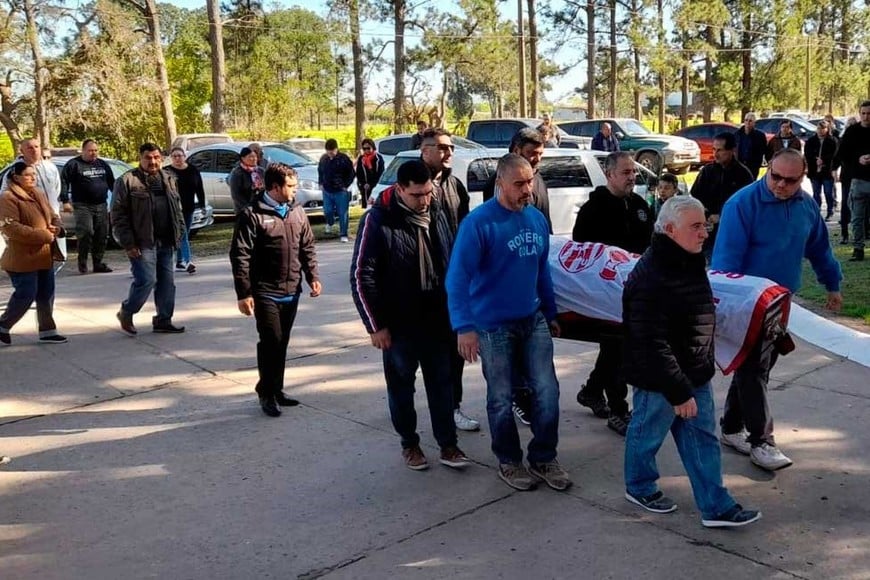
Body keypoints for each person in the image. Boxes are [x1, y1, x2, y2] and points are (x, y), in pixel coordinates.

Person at [622, 195, 762, 528]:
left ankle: (716, 506)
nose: (704, 234)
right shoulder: (650, 277)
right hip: (661, 380)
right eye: (696, 227)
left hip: (694, 373)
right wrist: (678, 392)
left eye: (706, 225)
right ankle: (639, 486)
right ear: (670, 229)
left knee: (703, 441)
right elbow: (652, 343)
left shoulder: (689, 258)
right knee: (647, 435)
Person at [447, 153, 571, 492]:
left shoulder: (535, 220)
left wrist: (551, 311)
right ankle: (509, 461)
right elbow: (457, 278)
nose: (527, 190)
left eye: (529, 181)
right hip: (492, 326)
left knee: (547, 390)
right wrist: (464, 327)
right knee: (501, 397)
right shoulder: (478, 224)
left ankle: (544, 456)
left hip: (532, 320)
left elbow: (541, 269)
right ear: (499, 184)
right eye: (518, 184)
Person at [713, 148, 843, 471]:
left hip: (780, 302)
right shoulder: (742, 205)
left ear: (803, 178)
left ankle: (731, 427)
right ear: (767, 168)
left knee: (756, 368)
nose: (781, 185)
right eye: (776, 176)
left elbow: (819, 248)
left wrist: (832, 284)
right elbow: (725, 263)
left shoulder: (806, 206)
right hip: (746, 303)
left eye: (790, 180)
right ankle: (762, 441)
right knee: (754, 370)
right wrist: (725, 310)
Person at [350, 160, 469, 470]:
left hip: (438, 319)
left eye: (428, 193)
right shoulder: (378, 220)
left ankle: (448, 443)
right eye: (417, 195)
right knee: (402, 386)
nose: (424, 200)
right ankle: (410, 443)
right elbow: (363, 274)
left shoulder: (438, 213)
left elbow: (454, 261)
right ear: (400, 189)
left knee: (442, 384)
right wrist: (376, 326)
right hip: (399, 324)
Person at [231, 163, 322, 418]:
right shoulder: (252, 214)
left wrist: (312, 276)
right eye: (290, 186)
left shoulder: (297, 212)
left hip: (292, 289)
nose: (295, 190)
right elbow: (240, 256)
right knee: (270, 341)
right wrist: (244, 293)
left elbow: (307, 247)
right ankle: (266, 393)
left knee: (282, 342)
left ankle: (277, 388)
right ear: (274, 187)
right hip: (264, 291)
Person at [572, 151, 653, 436]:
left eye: (634, 172)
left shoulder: (641, 206)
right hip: (603, 294)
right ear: (609, 175)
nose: (632, 177)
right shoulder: (593, 211)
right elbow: (580, 253)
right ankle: (619, 410)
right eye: (626, 172)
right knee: (618, 346)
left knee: (616, 347)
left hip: (637, 291)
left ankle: (592, 391)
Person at [482, 127, 551, 426]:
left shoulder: (539, 180)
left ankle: (527, 398)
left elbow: (542, 223)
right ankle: (518, 400)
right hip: (503, 291)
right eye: (531, 153)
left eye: (539, 155)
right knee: (507, 363)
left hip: (532, 277)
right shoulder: (496, 186)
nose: (536, 160)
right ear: (515, 149)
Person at [419, 127, 477, 432]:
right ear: (424, 150)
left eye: (451, 147)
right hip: (422, 286)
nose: (449, 152)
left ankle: (452, 406)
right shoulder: (413, 185)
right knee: (420, 354)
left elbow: (466, 230)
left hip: (455, 282)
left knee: (455, 350)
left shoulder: (455, 185)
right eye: (442, 147)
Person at [112, 143, 186, 337]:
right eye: (148, 157)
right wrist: (128, 243)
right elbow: (118, 216)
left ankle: (163, 320)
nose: (152, 161)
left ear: (161, 158)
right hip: (142, 242)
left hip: (167, 240)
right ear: (140, 158)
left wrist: (180, 233)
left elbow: (177, 209)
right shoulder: (127, 181)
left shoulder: (169, 178)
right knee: (146, 280)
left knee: (167, 283)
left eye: (156, 157)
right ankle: (127, 311)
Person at [0, 162, 68, 345]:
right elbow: (11, 227)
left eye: (34, 175)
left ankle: (48, 331)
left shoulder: (38, 193)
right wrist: (43, 235)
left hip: (44, 254)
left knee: (46, 294)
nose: (33, 178)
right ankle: (3, 325)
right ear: (16, 178)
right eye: (28, 175)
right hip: (22, 256)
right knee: (26, 294)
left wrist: (58, 228)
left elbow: (53, 214)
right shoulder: (8, 198)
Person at [690, 132, 753, 261]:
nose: (715, 154)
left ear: (732, 150)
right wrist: (705, 214)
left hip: (732, 232)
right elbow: (695, 196)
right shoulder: (707, 171)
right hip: (706, 231)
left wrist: (721, 216)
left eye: (720, 150)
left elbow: (747, 206)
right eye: (714, 149)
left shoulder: (743, 175)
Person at [1, 138, 64, 261]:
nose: (34, 150)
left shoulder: (50, 167)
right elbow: (4, 194)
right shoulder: (14, 170)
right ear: (22, 151)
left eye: (36, 147)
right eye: (29, 148)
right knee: (31, 257)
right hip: (27, 220)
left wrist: (55, 217)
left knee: (48, 256)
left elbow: (56, 190)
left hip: (50, 216)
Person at [59, 139, 115, 274]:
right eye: (90, 150)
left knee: (101, 235)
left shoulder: (102, 164)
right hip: (82, 206)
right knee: (86, 232)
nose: (93, 153)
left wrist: (119, 198)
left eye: (95, 150)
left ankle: (98, 263)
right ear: (83, 150)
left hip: (101, 205)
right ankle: (82, 262)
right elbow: (64, 182)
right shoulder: (73, 164)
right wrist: (65, 200)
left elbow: (112, 183)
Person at [837, 100, 870, 261]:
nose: (866, 117)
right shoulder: (852, 132)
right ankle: (858, 248)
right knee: (857, 217)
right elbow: (843, 154)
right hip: (858, 180)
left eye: (869, 114)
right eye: (863, 113)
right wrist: (858, 159)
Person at [165, 147, 206, 274]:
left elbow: (199, 188)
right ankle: (188, 262)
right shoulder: (167, 171)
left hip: (188, 207)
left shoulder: (193, 170)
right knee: (182, 235)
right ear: (171, 158)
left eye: (180, 155)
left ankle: (179, 262)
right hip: (173, 208)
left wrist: (202, 204)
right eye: (175, 156)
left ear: (184, 156)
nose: (177, 158)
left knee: (184, 235)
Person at [317, 138, 355, 243]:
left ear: (336, 149)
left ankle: (343, 234)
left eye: (332, 151)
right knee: (327, 210)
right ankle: (330, 222)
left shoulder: (344, 159)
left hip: (341, 191)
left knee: (343, 213)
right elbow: (320, 171)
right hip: (327, 190)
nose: (330, 154)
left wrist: (346, 186)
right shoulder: (324, 159)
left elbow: (351, 173)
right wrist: (320, 183)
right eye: (328, 151)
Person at [804, 120, 839, 220]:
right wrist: (814, 160)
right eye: (819, 128)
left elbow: (835, 155)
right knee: (816, 192)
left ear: (827, 129)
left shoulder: (832, 141)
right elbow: (807, 153)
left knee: (828, 192)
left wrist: (824, 160)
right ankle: (816, 211)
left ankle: (830, 210)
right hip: (814, 171)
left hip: (827, 171)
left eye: (823, 128)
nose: (820, 131)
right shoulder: (811, 140)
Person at [837, 116, 860, 245]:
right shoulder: (843, 140)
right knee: (845, 204)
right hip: (847, 176)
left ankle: (863, 232)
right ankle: (844, 233)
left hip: (860, 175)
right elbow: (839, 156)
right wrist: (834, 169)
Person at [229, 147, 265, 216]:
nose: (254, 159)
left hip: (261, 208)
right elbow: (236, 195)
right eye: (251, 157)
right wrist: (248, 209)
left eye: (255, 156)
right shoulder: (237, 173)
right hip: (244, 210)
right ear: (243, 158)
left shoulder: (261, 171)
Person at [733, 113, 768, 179]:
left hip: (753, 166)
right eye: (746, 120)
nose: (748, 122)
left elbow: (764, 150)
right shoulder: (737, 134)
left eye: (750, 121)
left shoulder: (760, 136)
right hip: (739, 165)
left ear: (754, 123)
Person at [354, 138, 385, 210]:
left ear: (372, 147)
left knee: (375, 206)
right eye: (364, 148)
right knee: (366, 207)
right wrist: (363, 184)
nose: (366, 150)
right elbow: (359, 173)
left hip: (375, 185)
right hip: (364, 187)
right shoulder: (361, 159)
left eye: (368, 148)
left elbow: (380, 173)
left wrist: (371, 184)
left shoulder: (378, 159)